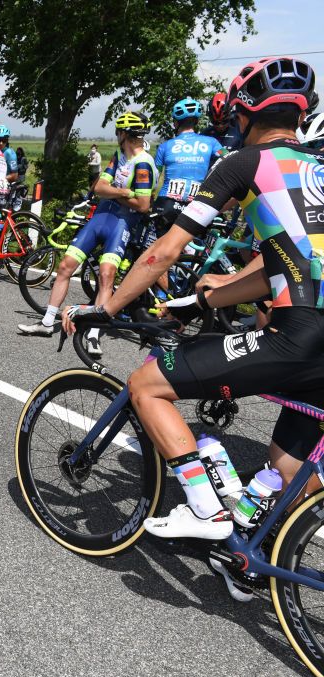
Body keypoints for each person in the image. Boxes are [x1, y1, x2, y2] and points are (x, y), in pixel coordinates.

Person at [64, 56, 319, 546]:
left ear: (243, 113)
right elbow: (284, 268)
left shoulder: (244, 163)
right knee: (288, 473)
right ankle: (260, 562)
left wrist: (107, 308)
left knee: (146, 383)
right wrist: (204, 301)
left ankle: (205, 511)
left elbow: (164, 252)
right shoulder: (319, 171)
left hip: (298, 334)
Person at [18, 111, 156, 359]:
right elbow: (98, 188)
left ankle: (93, 333)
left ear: (124, 133)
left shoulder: (143, 163)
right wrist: (125, 193)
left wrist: (115, 192)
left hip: (121, 224)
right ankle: (48, 322)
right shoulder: (119, 156)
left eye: (118, 132)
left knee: (106, 276)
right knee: (65, 267)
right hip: (100, 218)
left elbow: (144, 204)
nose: (117, 136)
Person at [153, 97, 223, 228]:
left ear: (175, 122)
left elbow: (154, 179)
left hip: (166, 202)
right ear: (196, 121)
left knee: (162, 244)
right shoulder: (211, 142)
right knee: (195, 245)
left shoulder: (165, 146)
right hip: (197, 204)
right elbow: (228, 159)